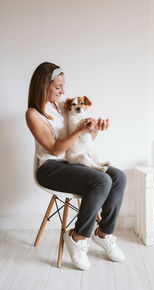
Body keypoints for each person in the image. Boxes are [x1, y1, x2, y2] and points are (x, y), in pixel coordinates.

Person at [26, 62, 127, 270]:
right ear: (43, 86)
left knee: (118, 177)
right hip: (50, 169)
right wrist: (79, 130)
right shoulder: (33, 114)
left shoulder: (63, 106)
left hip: (72, 162)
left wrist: (94, 129)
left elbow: (79, 143)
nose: (63, 91)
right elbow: (54, 150)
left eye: (63, 86)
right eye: (57, 87)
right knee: (101, 180)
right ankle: (77, 237)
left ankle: (104, 233)